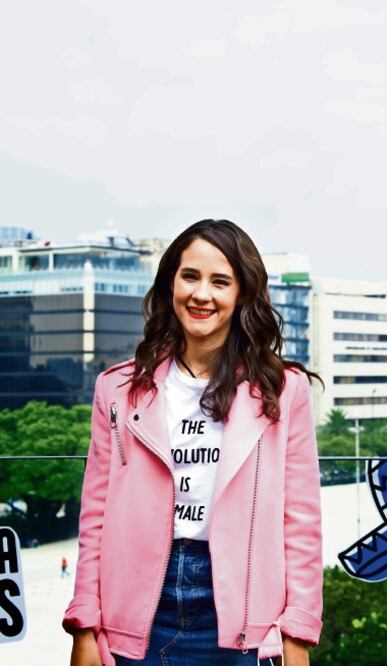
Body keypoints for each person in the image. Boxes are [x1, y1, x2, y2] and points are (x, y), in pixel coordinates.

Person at [63, 220, 324, 665]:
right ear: (170, 284)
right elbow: (96, 514)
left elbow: (300, 519)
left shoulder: (283, 389)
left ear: (241, 294)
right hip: (139, 607)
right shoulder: (118, 388)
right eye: (190, 276)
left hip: (245, 614)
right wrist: (85, 622)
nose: (202, 294)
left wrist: (297, 630)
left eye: (220, 282)